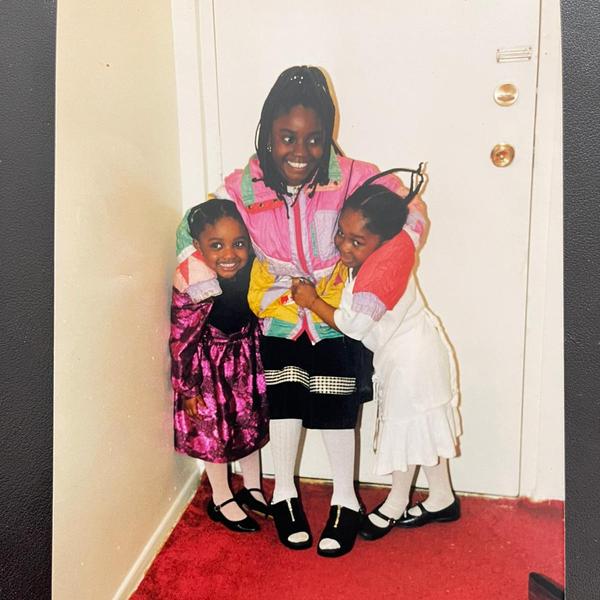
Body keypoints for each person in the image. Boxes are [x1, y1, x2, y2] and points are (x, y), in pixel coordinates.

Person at [175, 66, 425, 557]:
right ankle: (284, 492)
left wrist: (383, 272)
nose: (299, 151)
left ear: (328, 136)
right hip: (278, 309)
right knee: (284, 396)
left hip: (337, 309)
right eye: (287, 137)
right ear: (268, 133)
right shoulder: (241, 187)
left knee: (335, 398)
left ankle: (345, 499)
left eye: (314, 140)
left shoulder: (356, 176)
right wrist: (202, 280)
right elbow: (193, 226)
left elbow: (411, 215)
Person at [291, 166, 461, 542]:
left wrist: (312, 301)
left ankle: (396, 503)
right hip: (413, 350)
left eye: (357, 241)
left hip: (412, 359)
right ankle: (443, 497)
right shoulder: (393, 244)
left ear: (382, 242)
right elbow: (414, 212)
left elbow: (353, 325)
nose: (344, 246)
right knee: (424, 424)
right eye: (342, 234)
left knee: (410, 428)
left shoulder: (383, 271)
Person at [169, 200, 269, 533]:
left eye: (239, 243)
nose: (230, 253)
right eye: (216, 245)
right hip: (209, 367)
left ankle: (252, 487)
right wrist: (186, 387)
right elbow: (182, 337)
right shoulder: (194, 281)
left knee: (248, 424)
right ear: (198, 246)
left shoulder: (253, 270)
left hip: (244, 359)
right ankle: (222, 496)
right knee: (217, 432)